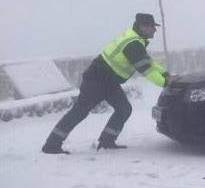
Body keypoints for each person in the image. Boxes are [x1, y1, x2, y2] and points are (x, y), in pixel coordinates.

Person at [42, 13, 172, 154]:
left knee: (124, 109)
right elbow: (145, 69)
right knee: (79, 112)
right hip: (96, 81)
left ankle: (106, 141)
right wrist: (165, 82)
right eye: (153, 27)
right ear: (143, 27)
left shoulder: (136, 40)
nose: (155, 30)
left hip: (109, 82)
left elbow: (149, 62)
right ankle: (51, 145)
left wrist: (165, 74)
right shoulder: (133, 44)